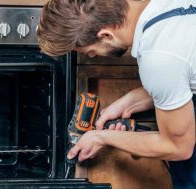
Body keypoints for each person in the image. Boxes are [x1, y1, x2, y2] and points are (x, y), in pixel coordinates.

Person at [37, 0, 196, 188]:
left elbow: (178, 147)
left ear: (105, 35)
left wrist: (102, 137)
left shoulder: (158, 57)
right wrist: (127, 102)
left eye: (90, 51)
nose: (92, 56)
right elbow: (179, 76)